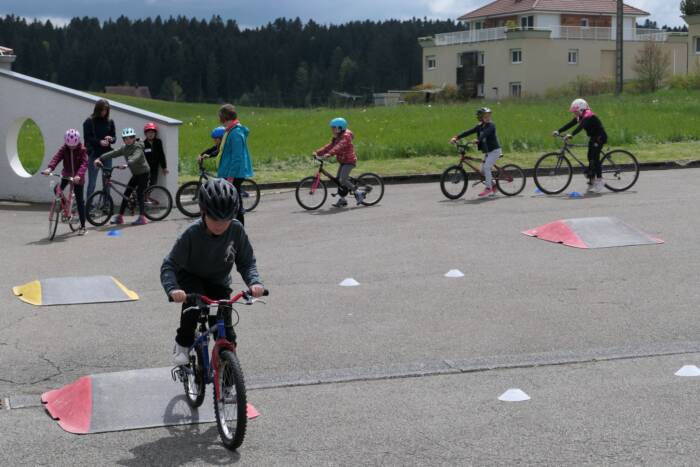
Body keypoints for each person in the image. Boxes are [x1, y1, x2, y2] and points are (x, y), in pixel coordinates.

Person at [160, 178, 265, 365]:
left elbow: (246, 261)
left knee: (225, 330)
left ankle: (227, 371)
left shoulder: (236, 230)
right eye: (214, 218)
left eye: (225, 219)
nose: (219, 225)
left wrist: (254, 282)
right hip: (191, 277)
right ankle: (182, 344)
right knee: (193, 309)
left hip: (218, 281)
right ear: (203, 212)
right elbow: (169, 265)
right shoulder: (191, 234)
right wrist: (173, 289)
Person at [94, 128, 151, 226]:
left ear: (134, 138)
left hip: (144, 172)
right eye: (126, 138)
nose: (128, 140)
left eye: (130, 138)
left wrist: (127, 164)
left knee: (139, 193)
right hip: (136, 174)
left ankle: (142, 218)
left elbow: (135, 157)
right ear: (123, 139)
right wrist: (100, 158)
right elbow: (113, 153)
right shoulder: (124, 148)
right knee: (126, 194)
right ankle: (120, 217)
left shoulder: (138, 147)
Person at [553, 98, 608, 193]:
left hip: (600, 137)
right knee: (589, 157)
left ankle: (599, 180)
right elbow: (570, 124)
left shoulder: (588, 115)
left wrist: (572, 134)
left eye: (576, 111)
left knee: (595, 158)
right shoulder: (580, 116)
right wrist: (558, 131)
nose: (575, 113)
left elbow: (581, 126)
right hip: (593, 138)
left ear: (582, 109)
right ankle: (592, 181)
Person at [41, 129, 89, 236]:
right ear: (66, 142)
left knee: (80, 201)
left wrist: (78, 175)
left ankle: (83, 226)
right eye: (69, 145)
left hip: (78, 178)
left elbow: (84, 164)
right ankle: (65, 207)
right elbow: (56, 158)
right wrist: (49, 168)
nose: (71, 147)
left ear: (78, 142)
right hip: (66, 174)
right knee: (57, 189)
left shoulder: (82, 150)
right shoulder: (64, 149)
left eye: (74, 145)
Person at [212, 104, 254, 225]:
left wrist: (230, 177)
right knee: (232, 202)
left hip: (234, 174)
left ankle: (238, 229)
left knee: (234, 204)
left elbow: (237, 157)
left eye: (221, 118)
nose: (221, 122)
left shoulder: (236, 133)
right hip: (230, 173)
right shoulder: (231, 131)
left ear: (226, 118)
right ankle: (234, 228)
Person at [450, 107, 502, 198]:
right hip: (488, 152)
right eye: (485, 116)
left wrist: (478, 139)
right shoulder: (479, 126)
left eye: (489, 115)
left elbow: (485, 133)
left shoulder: (491, 125)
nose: (488, 117)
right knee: (483, 171)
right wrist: (456, 137)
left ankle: (488, 188)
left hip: (494, 151)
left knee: (486, 167)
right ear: (480, 117)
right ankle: (494, 186)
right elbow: (468, 132)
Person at [313, 117, 363, 207]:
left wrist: (330, 154)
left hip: (349, 161)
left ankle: (359, 193)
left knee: (343, 179)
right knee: (339, 181)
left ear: (340, 128)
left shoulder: (346, 137)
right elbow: (329, 146)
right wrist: (317, 152)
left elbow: (339, 146)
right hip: (343, 161)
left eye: (334, 128)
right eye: (332, 128)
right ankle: (342, 200)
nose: (332, 130)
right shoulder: (337, 136)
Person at [83, 99, 116, 198]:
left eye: (106, 110)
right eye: (102, 110)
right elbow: (87, 138)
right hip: (94, 154)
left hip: (107, 155)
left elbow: (114, 137)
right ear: (97, 109)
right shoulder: (89, 121)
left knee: (106, 182)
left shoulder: (110, 121)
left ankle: (106, 205)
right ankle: (89, 207)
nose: (104, 112)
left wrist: (111, 139)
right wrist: (99, 142)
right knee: (92, 182)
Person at [143, 122, 168, 187]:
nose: (150, 134)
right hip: (145, 167)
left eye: (152, 132)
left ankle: (147, 195)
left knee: (153, 183)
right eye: (149, 133)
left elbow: (161, 154)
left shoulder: (158, 142)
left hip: (155, 167)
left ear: (155, 133)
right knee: (144, 182)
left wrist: (164, 167)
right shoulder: (143, 144)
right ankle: (141, 195)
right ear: (145, 134)